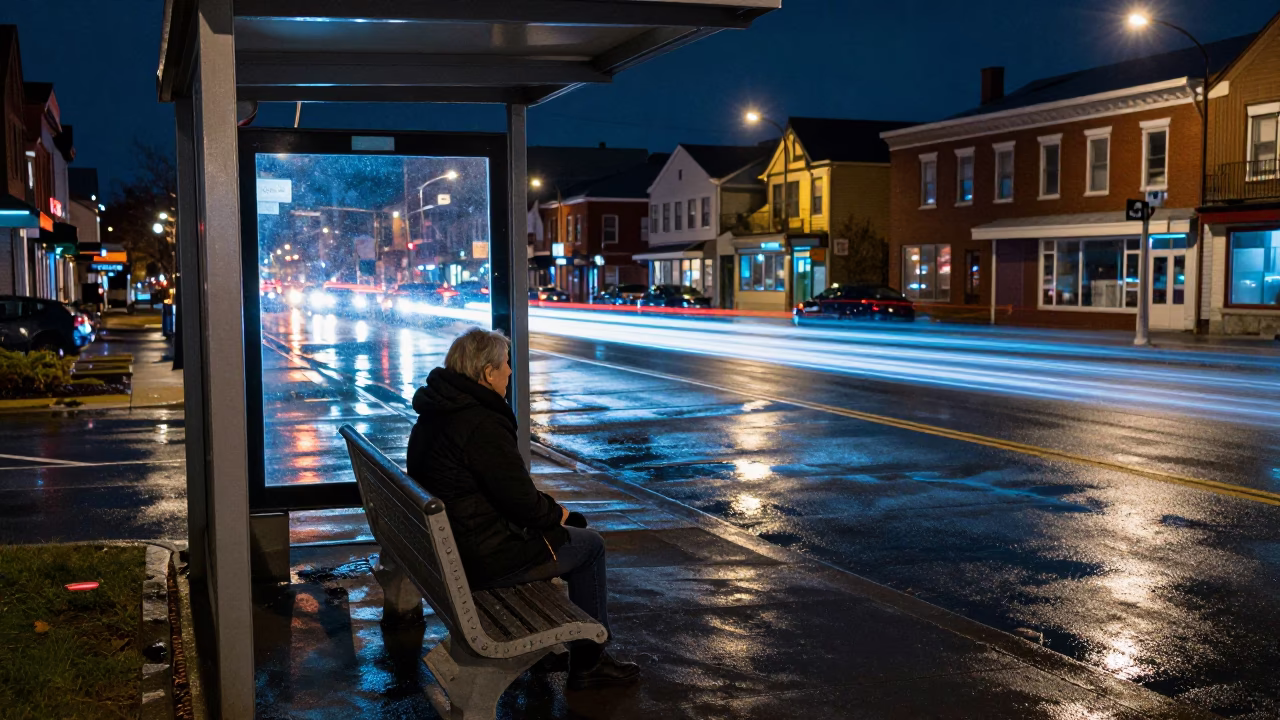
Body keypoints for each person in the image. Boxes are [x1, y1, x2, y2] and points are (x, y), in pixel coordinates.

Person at [407, 327, 640, 689]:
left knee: (562, 532)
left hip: (446, 549)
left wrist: (548, 515)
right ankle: (590, 661)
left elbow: (499, 492)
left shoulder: (438, 410)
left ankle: (545, 646)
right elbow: (521, 501)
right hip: (478, 558)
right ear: (487, 373)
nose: (510, 372)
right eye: (505, 364)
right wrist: (556, 514)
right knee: (589, 545)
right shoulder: (480, 421)